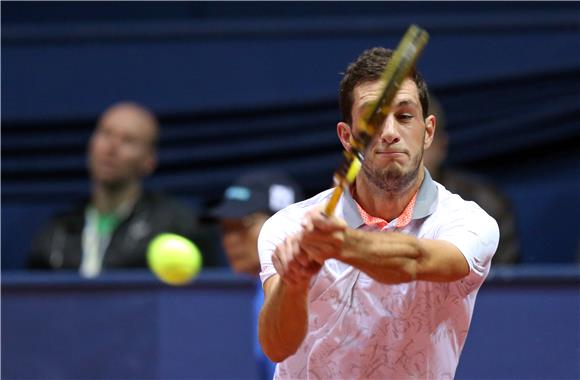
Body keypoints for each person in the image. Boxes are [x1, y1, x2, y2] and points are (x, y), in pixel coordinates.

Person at [257, 47, 499, 379]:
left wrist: (337, 245)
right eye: (373, 118)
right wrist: (295, 281)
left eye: (404, 116)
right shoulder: (288, 225)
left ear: (428, 131)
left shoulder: (469, 222)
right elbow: (277, 347)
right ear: (347, 136)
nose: (389, 132)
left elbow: (415, 260)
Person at [28, 101, 213, 276]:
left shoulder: (176, 225)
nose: (111, 148)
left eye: (128, 140)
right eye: (105, 134)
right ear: (91, 146)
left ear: (149, 161)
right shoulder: (57, 232)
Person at [210, 170, 303, 380]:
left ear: (283, 225)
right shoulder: (258, 291)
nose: (229, 240)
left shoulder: (307, 290)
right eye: (225, 229)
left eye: (242, 225)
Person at [423, 95, 519, 264]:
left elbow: (505, 284)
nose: (413, 157)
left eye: (422, 143)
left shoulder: (486, 203)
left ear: (441, 146)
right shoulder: (368, 204)